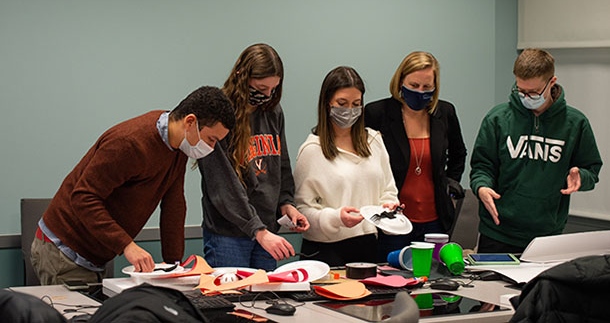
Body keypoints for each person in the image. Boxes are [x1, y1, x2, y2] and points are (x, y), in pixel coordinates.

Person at [31, 86, 235, 285]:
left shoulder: (178, 147)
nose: (211, 148)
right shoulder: (129, 142)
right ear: (190, 122)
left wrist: (174, 267)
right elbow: (83, 197)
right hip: (65, 250)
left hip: (96, 254)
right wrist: (127, 245)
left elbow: (174, 205)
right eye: (211, 139)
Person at [470, 48, 603, 253]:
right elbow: (482, 166)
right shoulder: (497, 118)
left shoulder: (575, 123)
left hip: (546, 236)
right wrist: (481, 187)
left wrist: (581, 178)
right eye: (520, 90)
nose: (526, 97)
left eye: (533, 92)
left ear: (552, 82)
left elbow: (591, 170)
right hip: (497, 231)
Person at [198, 43, 309, 270]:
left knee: (265, 301)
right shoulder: (218, 114)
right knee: (230, 300)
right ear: (242, 76)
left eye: (273, 89)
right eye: (261, 87)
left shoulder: (273, 112)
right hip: (229, 233)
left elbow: (281, 164)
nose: (267, 95)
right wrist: (256, 229)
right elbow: (222, 185)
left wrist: (287, 204)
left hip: (266, 231)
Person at [365, 51, 467, 262]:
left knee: (433, 282)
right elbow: (365, 162)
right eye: (414, 85)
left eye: (427, 87)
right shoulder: (377, 113)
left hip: (435, 222)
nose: (420, 92)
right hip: (392, 222)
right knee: (392, 283)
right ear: (400, 81)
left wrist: (450, 187)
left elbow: (459, 153)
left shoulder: (444, 112)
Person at [294, 66, 399, 266]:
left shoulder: (374, 141)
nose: (349, 111)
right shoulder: (311, 150)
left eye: (356, 104)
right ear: (327, 104)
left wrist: (388, 208)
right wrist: (335, 218)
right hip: (325, 251)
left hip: (367, 245)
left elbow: (388, 191)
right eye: (342, 103)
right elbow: (302, 213)